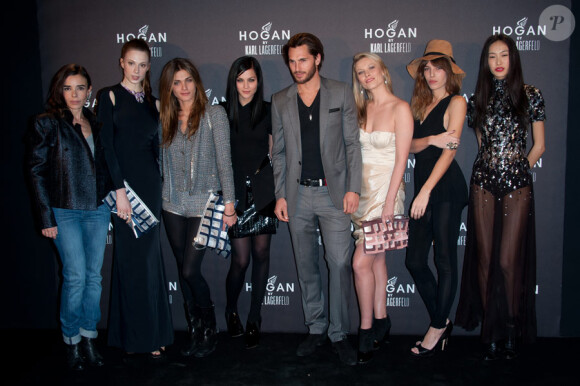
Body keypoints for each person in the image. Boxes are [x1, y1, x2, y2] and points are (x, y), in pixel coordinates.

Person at [271, 32, 362, 366]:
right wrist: (280, 194)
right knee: (306, 264)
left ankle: (339, 334)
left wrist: (354, 187)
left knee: (339, 263)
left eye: (303, 60)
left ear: (318, 59)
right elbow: (278, 152)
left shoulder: (340, 92)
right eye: (292, 61)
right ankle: (316, 327)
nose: (297, 67)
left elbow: (352, 144)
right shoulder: (280, 99)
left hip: (334, 194)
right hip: (297, 196)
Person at [455, 34, 545, 360]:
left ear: (513, 57)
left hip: (517, 184)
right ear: (486, 61)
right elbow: (482, 146)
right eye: (492, 56)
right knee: (484, 258)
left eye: (503, 55)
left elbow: (539, 145)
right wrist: (493, 170)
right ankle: (490, 330)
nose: (498, 61)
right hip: (483, 183)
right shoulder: (478, 99)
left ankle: (509, 325)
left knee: (507, 261)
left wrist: (519, 170)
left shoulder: (530, 95)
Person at [28, 64, 112, 370]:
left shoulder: (95, 121)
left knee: (94, 277)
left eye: (80, 88)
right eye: (68, 88)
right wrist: (45, 217)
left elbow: (104, 165)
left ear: (89, 91)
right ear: (59, 91)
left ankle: (89, 337)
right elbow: (36, 172)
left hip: (97, 209)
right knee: (75, 276)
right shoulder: (47, 123)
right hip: (64, 211)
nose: (74, 94)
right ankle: (71, 341)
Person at [97, 39, 173, 359]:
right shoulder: (109, 96)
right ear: (121, 62)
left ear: (148, 67)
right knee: (131, 262)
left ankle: (154, 331)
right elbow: (106, 147)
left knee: (150, 262)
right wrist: (119, 192)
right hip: (124, 191)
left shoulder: (154, 105)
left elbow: (158, 153)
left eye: (143, 65)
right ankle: (138, 338)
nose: (137, 70)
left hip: (150, 187)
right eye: (131, 63)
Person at [159, 57, 236, 358]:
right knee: (182, 268)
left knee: (191, 270)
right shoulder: (166, 117)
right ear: (170, 87)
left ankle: (210, 325)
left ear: (196, 81)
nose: (183, 87)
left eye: (188, 80)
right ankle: (196, 332)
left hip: (203, 201)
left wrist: (229, 204)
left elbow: (224, 161)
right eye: (176, 82)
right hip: (172, 203)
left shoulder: (214, 114)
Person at [404, 40, 468, 357]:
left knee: (444, 260)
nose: (431, 73)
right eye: (426, 68)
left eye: (437, 67)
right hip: (424, 188)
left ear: (449, 71)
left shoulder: (456, 102)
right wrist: (430, 137)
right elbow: (412, 147)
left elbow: (450, 149)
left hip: (444, 189)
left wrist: (426, 191)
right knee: (414, 260)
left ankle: (436, 326)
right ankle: (441, 321)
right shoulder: (421, 104)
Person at [350, 53, 413, 363]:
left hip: (386, 194)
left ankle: (365, 331)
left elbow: (401, 159)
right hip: (361, 194)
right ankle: (382, 319)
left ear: (383, 71)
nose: (366, 75)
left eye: (371, 68)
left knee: (360, 263)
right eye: (360, 72)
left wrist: (390, 203)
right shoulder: (362, 109)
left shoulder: (400, 108)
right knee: (376, 261)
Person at [221, 56, 277, 349]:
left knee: (261, 254)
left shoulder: (268, 111)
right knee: (240, 260)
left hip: (264, 191)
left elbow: (274, 151)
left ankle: (255, 317)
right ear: (234, 82)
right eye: (240, 80)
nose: (246, 86)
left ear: (258, 82)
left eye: (251, 80)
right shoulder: (220, 112)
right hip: (234, 195)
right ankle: (231, 310)